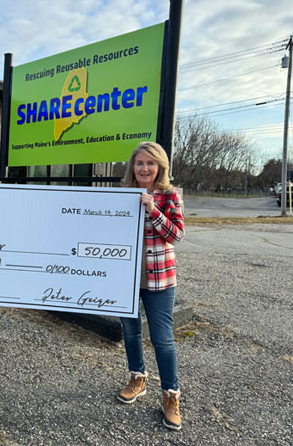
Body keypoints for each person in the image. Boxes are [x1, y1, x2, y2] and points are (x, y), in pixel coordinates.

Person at [117, 141, 185, 430]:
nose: (144, 168)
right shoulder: (121, 196)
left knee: (163, 339)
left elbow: (177, 235)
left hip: (160, 279)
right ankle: (137, 378)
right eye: (139, 163)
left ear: (160, 167)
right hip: (127, 278)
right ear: (133, 167)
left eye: (150, 163)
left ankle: (171, 396)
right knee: (130, 332)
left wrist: (154, 209)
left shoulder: (170, 196)